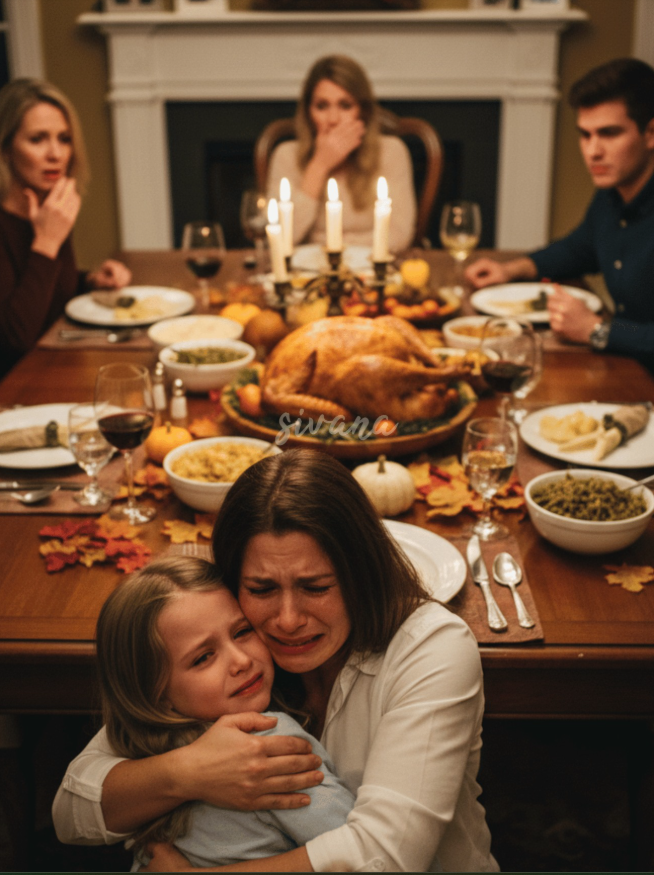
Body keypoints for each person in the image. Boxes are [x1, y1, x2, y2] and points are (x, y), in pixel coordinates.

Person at [53, 449, 497, 873]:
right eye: (262, 589)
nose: (287, 621)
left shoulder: (432, 647)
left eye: (316, 587)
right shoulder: (236, 647)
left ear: (361, 573)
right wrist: (190, 772)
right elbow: (72, 811)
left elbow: (387, 858)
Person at [93, 555, 354, 870]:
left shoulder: (139, 758)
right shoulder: (266, 741)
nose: (241, 661)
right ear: (156, 696)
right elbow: (357, 850)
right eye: (203, 657)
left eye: (241, 632)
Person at [465, 58, 654, 373]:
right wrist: (511, 269)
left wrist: (595, 329)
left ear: (650, 133)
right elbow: (579, 249)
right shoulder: (611, 194)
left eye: (609, 134)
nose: (593, 151)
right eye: (585, 135)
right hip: (625, 366)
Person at [0, 78, 132, 376]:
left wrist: (91, 281)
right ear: (6, 148)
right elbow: (14, 339)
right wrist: (47, 242)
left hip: (52, 368)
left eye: (64, 139)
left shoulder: (48, 207)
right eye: (37, 139)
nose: (56, 154)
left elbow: (45, 301)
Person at [266, 55, 417, 252]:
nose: (333, 119)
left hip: (369, 267)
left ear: (363, 111)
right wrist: (319, 165)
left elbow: (399, 235)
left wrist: (329, 247)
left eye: (345, 105)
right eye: (322, 106)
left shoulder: (391, 151)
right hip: (306, 269)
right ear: (308, 112)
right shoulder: (286, 155)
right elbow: (280, 238)